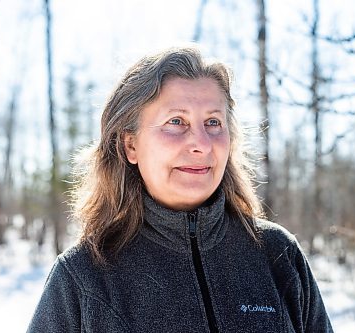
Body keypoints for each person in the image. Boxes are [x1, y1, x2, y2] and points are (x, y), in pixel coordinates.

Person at [27, 47, 333, 333]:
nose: (200, 143)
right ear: (130, 144)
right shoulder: (83, 277)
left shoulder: (277, 254)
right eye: (176, 121)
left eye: (213, 122)